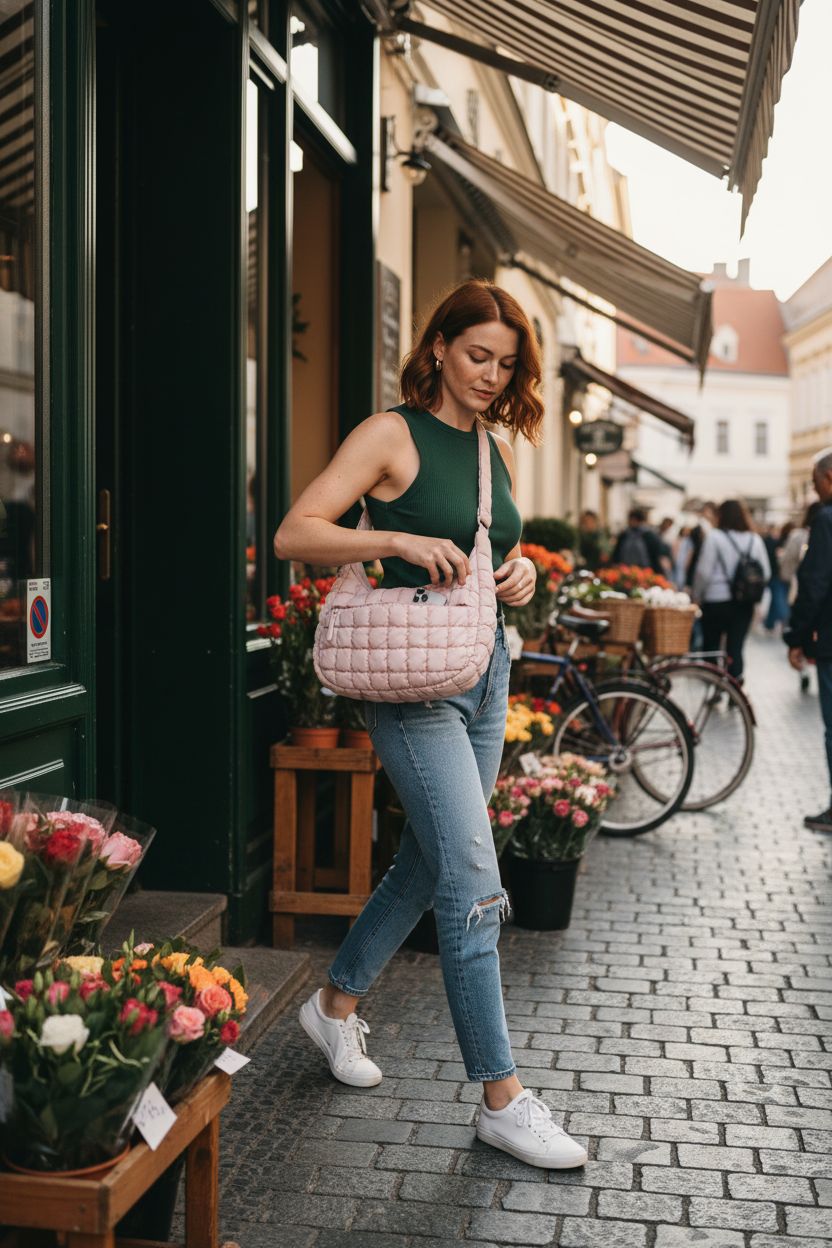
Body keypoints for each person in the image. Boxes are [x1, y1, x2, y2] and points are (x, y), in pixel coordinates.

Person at [274, 279, 588, 1169]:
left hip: (482, 671)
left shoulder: (491, 449)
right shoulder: (390, 433)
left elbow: (492, 551)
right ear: (440, 346)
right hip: (410, 687)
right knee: (473, 878)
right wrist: (395, 542)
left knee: (430, 857)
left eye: (506, 363)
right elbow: (299, 531)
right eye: (477, 355)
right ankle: (502, 1097)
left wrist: (519, 573)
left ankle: (334, 1006)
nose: (490, 375)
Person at [784, 449, 832, 833]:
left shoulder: (827, 520)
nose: (815, 492)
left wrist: (796, 637)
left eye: (815, 483)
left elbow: (815, 584)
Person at [692, 499, 770, 681]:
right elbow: (765, 573)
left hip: (715, 600)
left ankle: (714, 685)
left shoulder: (714, 537)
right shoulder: (754, 539)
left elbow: (703, 572)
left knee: (711, 646)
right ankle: (736, 689)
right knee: (735, 647)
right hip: (743, 603)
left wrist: (697, 596)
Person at [612, 507, 666, 574]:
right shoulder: (625, 535)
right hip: (626, 570)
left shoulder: (648, 536)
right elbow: (617, 552)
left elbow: (656, 554)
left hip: (645, 571)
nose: (629, 522)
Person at [763, 523, 791, 632]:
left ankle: (769, 623)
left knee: (775, 600)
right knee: (779, 600)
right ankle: (786, 622)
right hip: (778, 575)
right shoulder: (777, 543)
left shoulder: (775, 542)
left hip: (776, 575)